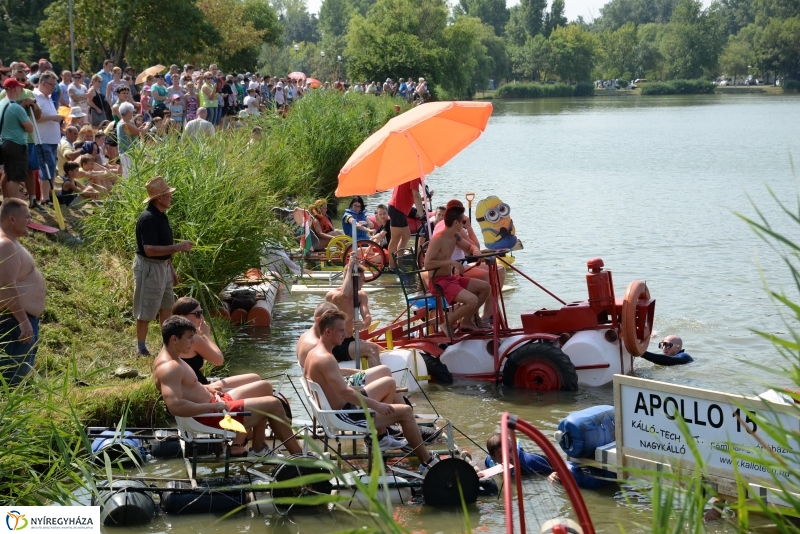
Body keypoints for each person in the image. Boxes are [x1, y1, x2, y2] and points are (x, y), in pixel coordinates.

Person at [154, 316, 301, 457]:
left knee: (264, 387)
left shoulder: (172, 358)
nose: (193, 341)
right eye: (189, 337)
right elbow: (176, 406)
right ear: (174, 339)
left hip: (214, 403)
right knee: (273, 404)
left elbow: (186, 388)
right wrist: (213, 407)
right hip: (210, 415)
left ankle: (258, 447)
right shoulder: (170, 367)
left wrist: (206, 388)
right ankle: (301, 458)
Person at [306, 310, 439, 465]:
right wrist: (377, 405)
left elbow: (334, 383)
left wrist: (361, 377)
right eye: (341, 330)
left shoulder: (315, 353)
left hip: (337, 408)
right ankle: (427, 462)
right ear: (328, 331)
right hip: (345, 413)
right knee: (406, 412)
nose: (345, 333)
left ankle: (381, 436)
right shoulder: (326, 358)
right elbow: (344, 392)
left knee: (388, 382)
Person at [134, 176, 194, 356]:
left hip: (163, 267)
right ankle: (141, 347)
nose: (171, 197)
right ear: (159, 198)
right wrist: (178, 247)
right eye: (168, 194)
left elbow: (163, 246)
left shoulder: (161, 216)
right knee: (146, 306)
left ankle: (165, 344)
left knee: (167, 305)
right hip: (149, 267)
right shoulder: (148, 218)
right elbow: (150, 250)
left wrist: (171, 269)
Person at [297, 302, 401, 394]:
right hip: (335, 393)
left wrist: (360, 372)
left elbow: (332, 371)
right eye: (332, 319)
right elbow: (339, 387)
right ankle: (392, 409)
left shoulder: (304, 337)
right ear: (319, 320)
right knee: (387, 381)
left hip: (325, 387)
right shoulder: (317, 347)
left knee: (383, 371)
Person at [424, 204, 490, 336]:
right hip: (439, 282)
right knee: (472, 300)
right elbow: (427, 264)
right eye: (463, 222)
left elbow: (469, 247)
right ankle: (447, 323)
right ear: (456, 222)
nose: (464, 224)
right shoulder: (438, 239)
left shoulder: (454, 236)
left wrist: (476, 251)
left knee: (485, 288)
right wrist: (450, 261)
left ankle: (466, 322)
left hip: (451, 279)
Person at [0, 199, 46, 385]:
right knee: (13, 383)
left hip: (18, 321)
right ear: (12, 219)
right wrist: (23, 321)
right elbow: (4, 286)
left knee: (20, 379)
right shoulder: (5, 245)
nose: (30, 221)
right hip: (14, 323)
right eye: (26, 217)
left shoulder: (11, 243)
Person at [325, 265, 382, 368]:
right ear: (352, 279)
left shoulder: (361, 296)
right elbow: (344, 295)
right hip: (336, 344)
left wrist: (364, 324)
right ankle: (379, 381)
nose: (364, 282)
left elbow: (367, 316)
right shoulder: (333, 295)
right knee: (373, 349)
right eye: (362, 279)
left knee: (382, 349)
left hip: (350, 339)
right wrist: (350, 267)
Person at [0, 78, 34, 200]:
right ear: (15, 89)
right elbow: (30, 128)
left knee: (7, 174)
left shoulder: (1, 104)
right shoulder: (17, 108)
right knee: (15, 178)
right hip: (17, 144)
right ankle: (13, 205)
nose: (21, 89)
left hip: (4, 142)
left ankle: (6, 201)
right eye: (19, 87)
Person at [33, 72, 62, 206]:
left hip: (53, 139)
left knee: (51, 167)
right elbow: (36, 118)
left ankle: (49, 195)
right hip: (42, 139)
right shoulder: (35, 97)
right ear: (43, 83)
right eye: (52, 85)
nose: (53, 88)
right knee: (46, 168)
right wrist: (53, 117)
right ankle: (44, 198)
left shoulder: (48, 97)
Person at [387, 179, 425, 268]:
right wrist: (421, 214)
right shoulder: (414, 175)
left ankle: (399, 263)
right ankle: (392, 266)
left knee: (406, 236)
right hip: (397, 208)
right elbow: (415, 194)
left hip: (400, 209)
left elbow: (410, 194)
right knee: (395, 239)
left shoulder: (410, 172)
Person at [117, 102, 150, 178]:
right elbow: (140, 133)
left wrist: (142, 126)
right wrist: (147, 126)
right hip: (127, 153)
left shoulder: (124, 122)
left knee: (131, 175)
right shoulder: (124, 124)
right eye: (132, 112)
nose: (132, 114)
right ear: (128, 112)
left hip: (129, 152)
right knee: (129, 176)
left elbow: (134, 132)